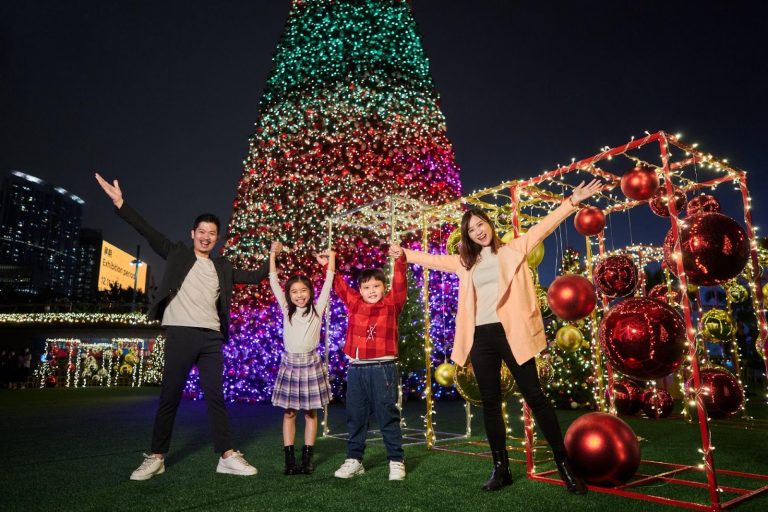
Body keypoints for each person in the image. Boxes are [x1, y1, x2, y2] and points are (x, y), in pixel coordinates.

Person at [389, 179, 602, 494]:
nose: (478, 231)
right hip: (480, 337)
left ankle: (564, 467)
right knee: (490, 403)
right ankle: (500, 468)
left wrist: (572, 201)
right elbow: (434, 261)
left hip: (512, 332)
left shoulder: (514, 248)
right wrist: (404, 252)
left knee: (536, 397)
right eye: (472, 229)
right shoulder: (466, 263)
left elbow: (544, 226)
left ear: (489, 225)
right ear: (468, 236)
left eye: (481, 224)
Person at [95, 172, 271, 481]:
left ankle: (227, 455)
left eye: (212, 233)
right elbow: (147, 231)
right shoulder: (177, 253)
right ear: (192, 234)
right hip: (180, 333)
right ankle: (156, 456)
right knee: (170, 396)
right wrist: (121, 204)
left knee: (216, 396)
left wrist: (273, 258)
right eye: (201, 231)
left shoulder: (223, 267)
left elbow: (255, 278)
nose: (206, 236)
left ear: (217, 238)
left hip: (211, 339)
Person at [332, 252, 408, 481]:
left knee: (387, 415)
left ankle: (396, 460)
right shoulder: (354, 304)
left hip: (383, 368)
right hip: (356, 369)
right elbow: (341, 287)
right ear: (360, 290)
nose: (372, 290)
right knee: (355, 416)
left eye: (377, 285)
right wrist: (330, 265)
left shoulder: (392, 304)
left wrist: (399, 260)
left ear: (384, 287)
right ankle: (354, 460)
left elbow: (400, 282)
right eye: (366, 287)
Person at [268, 244, 334, 475]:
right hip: (290, 365)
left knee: (310, 413)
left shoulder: (318, 309)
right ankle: (289, 459)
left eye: (303, 290)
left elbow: (329, 281)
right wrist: (273, 255)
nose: (299, 295)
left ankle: (307, 458)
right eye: (294, 291)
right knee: (289, 413)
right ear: (289, 294)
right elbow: (273, 281)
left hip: (311, 364)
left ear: (310, 291)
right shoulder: (286, 309)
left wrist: (331, 258)